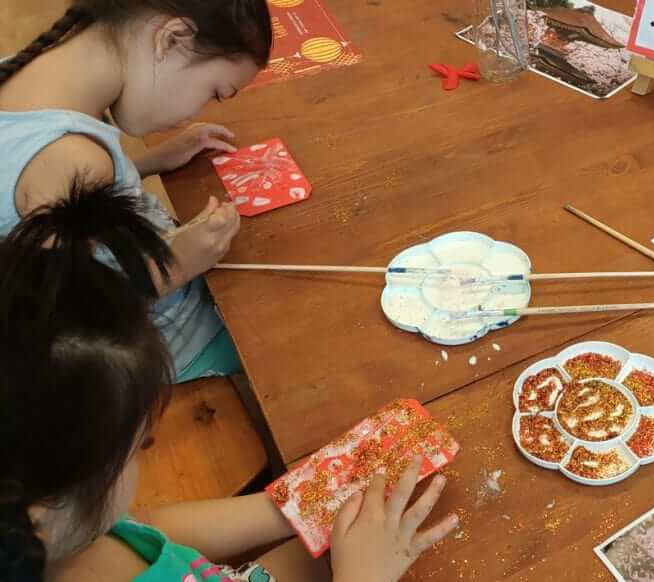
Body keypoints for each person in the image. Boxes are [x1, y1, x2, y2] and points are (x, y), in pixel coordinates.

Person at [0, 186, 459, 582]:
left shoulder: (71, 533)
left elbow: (148, 531)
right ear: (37, 521)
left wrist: (289, 505)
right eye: (140, 447)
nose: (139, 462)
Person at [0, 0, 273, 382]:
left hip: (139, 284)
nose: (196, 111)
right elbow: (72, 323)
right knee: (294, 339)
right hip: (159, 348)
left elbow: (40, 194)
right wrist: (178, 264)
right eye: (214, 91)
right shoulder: (72, 159)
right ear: (172, 37)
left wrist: (148, 163)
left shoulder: (31, 73)